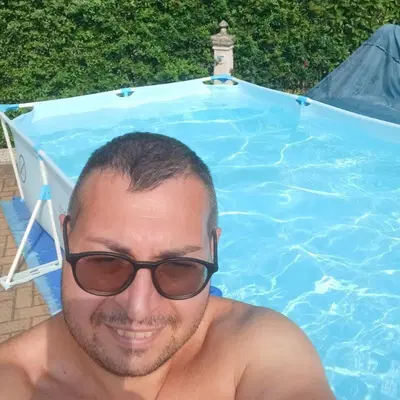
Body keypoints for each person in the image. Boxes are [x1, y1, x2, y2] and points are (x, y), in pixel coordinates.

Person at [0, 132, 335, 399]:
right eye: (105, 262)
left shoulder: (258, 346)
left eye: (178, 267)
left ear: (213, 250)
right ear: (66, 236)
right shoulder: (15, 380)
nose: (138, 308)